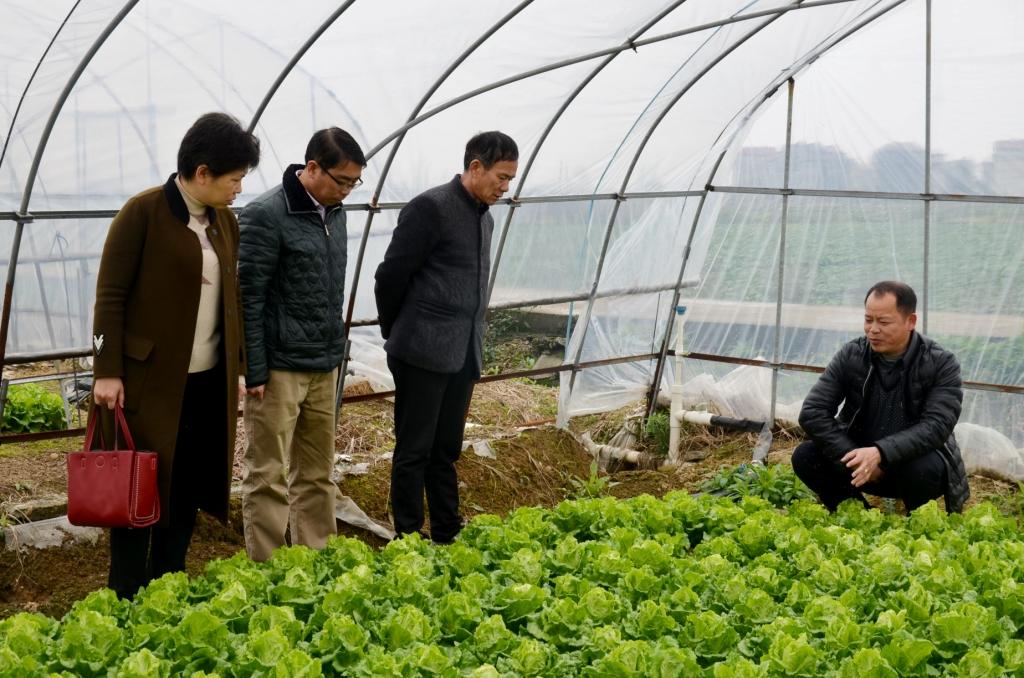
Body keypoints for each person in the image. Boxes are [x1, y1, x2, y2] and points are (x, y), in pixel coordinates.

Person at [92, 112, 260, 599]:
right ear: (202, 172)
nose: (238, 188)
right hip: (147, 384)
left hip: (206, 382)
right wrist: (106, 370)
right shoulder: (142, 213)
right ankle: (124, 593)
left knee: (186, 488)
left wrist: (239, 369)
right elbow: (109, 298)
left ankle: (168, 584)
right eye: (234, 178)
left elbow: (232, 298)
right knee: (139, 488)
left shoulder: (224, 222)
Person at [375, 131, 518, 544]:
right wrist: (397, 331)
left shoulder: (483, 216)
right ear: (476, 167)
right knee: (414, 448)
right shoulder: (431, 208)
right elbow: (390, 276)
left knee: (446, 449)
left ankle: (446, 530)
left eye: (511, 179)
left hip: (462, 351)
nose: (505, 187)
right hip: (421, 349)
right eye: (501, 176)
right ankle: (407, 534)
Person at [238, 127, 366, 562]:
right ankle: (269, 567)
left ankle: (312, 559)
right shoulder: (266, 214)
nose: (347, 191)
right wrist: (254, 368)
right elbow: (248, 298)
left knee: (317, 472)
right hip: (279, 367)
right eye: (342, 181)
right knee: (268, 473)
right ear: (312, 168)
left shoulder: (336, 212)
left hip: (324, 362)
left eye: (354, 183)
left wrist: (336, 356)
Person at [793, 280, 969, 514]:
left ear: (911, 321)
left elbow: (937, 426)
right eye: (868, 320)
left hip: (909, 467)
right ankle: (858, 516)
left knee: (924, 468)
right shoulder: (852, 354)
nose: (873, 329)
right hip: (861, 464)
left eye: (883, 322)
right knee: (806, 456)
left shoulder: (941, 363)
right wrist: (856, 456)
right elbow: (812, 412)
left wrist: (881, 454)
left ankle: (918, 523)